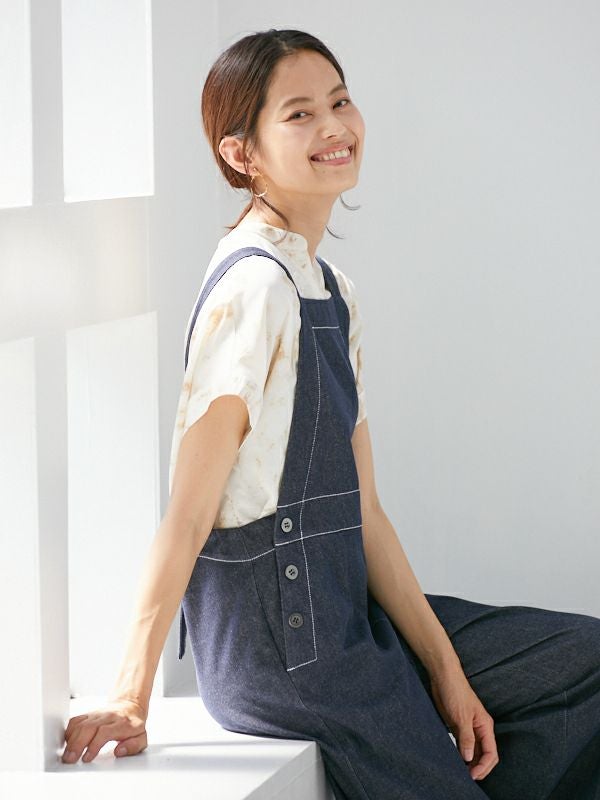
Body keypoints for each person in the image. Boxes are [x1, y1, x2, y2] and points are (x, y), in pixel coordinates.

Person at [62, 28, 600, 800]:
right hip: (284, 656)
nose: (334, 127)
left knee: (583, 660)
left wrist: (447, 670)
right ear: (242, 153)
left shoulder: (330, 291)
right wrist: (129, 695)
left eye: (340, 102)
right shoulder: (253, 292)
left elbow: (366, 512)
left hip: (344, 617)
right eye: (300, 114)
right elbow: (187, 516)